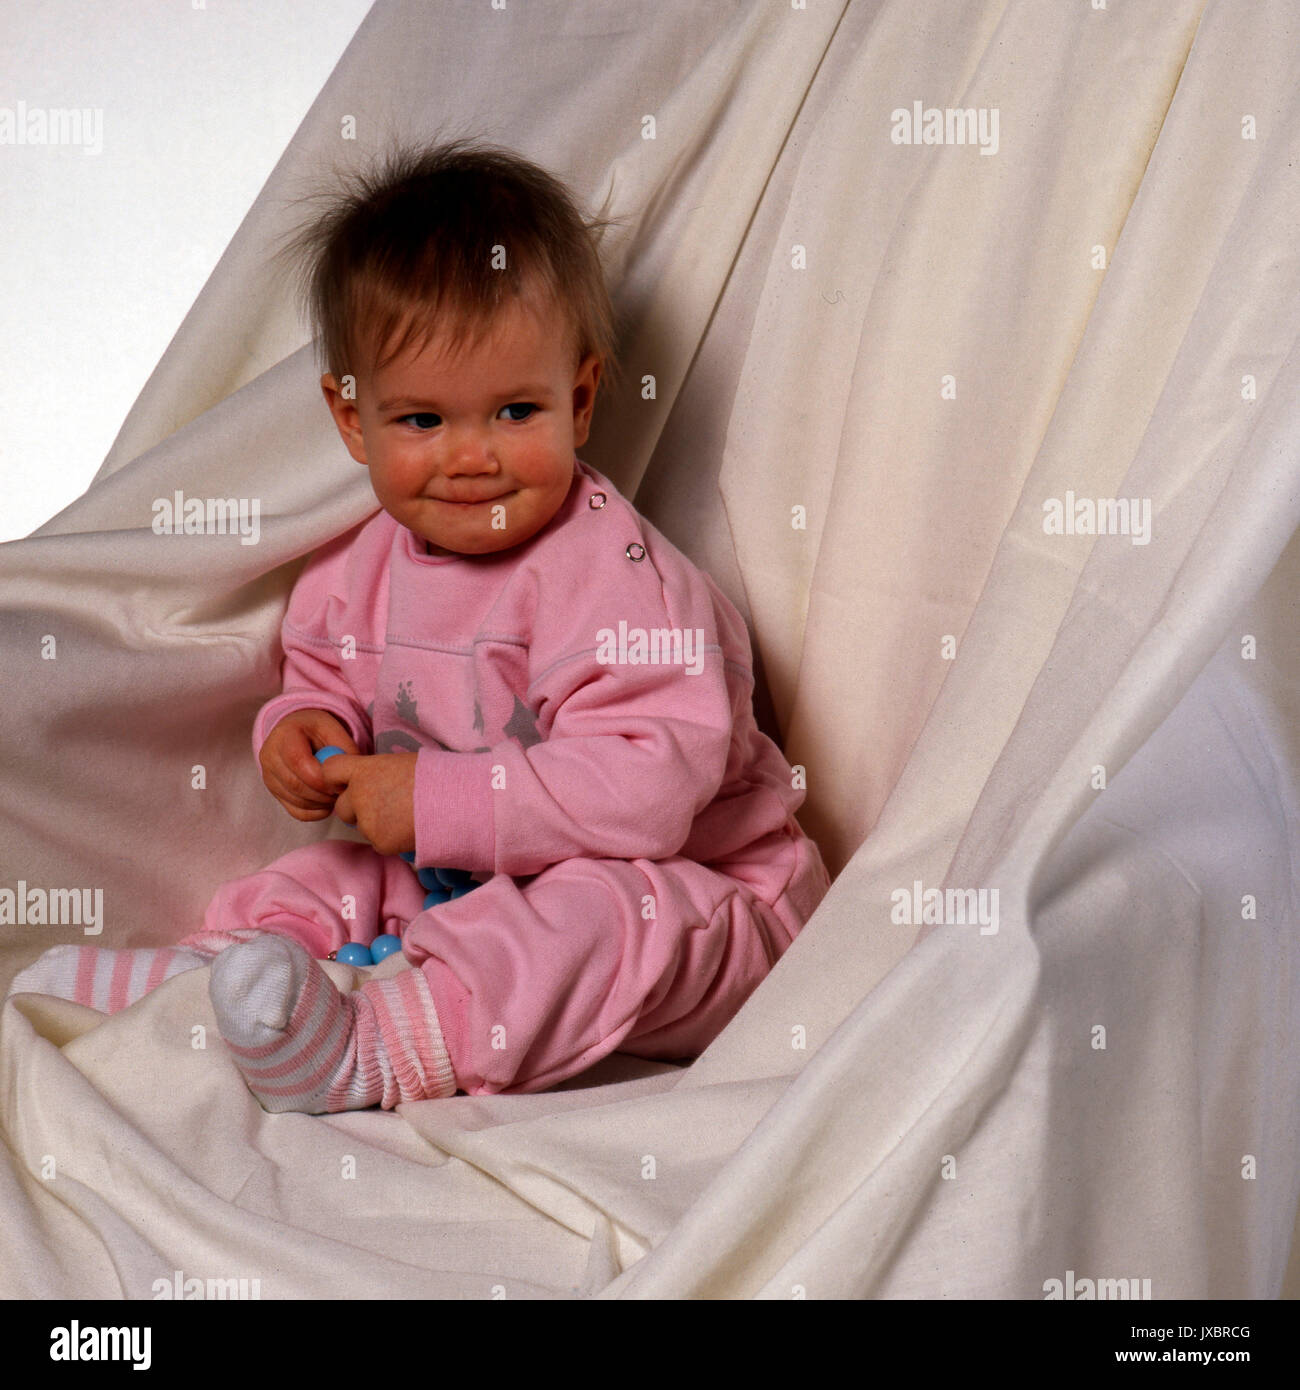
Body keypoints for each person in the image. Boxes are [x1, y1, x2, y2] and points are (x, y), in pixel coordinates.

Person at [7, 139, 831, 1112]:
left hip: (705, 903)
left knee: (592, 916)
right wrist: (302, 731)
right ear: (352, 421)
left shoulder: (618, 578)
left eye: (515, 410)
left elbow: (647, 798)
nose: (470, 456)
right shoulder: (359, 565)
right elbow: (320, 673)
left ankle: (376, 1050)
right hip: (462, 882)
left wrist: (436, 799)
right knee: (318, 876)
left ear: (578, 398)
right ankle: (202, 986)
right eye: (422, 422)